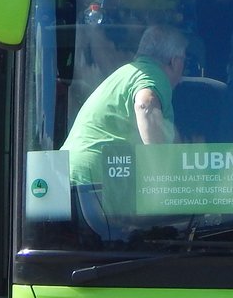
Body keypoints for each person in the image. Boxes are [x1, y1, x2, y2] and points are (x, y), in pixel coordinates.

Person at [61, 24, 188, 184]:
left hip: (72, 174)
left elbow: (165, 134)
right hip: (91, 181)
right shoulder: (153, 74)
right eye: (185, 61)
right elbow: (145, 105)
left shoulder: (129, 74)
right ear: (175, 62)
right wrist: (161, 174)